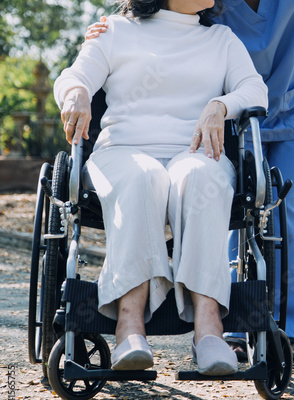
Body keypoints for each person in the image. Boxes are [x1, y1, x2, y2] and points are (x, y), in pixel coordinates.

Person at [85, 1, 294, 361]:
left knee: (283, 207)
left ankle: (285, 326)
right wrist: (117, 21)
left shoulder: (226, 33)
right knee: (230, 198)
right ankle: (229, 324)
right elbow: (160, 19)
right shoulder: (211, 8)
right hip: (229, 113)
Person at [55, 0, 268, 375]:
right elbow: (74, 75)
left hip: (195, 152)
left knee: (199, 176)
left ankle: (209, 329)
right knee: (144, 175)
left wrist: (220, 104)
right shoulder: (115, 30)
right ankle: (129, 324)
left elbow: (255, 90)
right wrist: (76, 92)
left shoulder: (222, 39)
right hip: (123, 151)